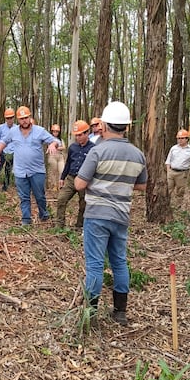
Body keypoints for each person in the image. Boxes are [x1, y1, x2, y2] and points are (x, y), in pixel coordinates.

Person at [74, 102, 147, 326]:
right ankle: (120, 312)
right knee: (119, 262)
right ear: (126, 127)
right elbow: (142, 186)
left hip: (96, 215)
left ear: (104, 125)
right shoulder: (137, 155)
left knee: (95, 264)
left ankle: (91, 313)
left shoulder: (98, 151)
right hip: (121, 215)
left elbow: (79, 184)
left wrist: (101, 183)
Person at [0, 106, 60, 225]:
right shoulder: (13, 132)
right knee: (24, 197)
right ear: (18, 120)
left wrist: (52, 144)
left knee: (39, 195)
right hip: (20, 171)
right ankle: (26, 219)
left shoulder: (39, 130)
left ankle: (43, 214)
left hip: (37, 170)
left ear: (30, 117)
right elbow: (4, 141)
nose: (24, 120)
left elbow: (55, 141)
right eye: (21, 118)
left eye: (26, 117)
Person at [55, 120, 93, 229]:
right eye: (76, 135)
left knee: (84, 204)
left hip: (85, 180)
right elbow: (68, 164)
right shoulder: (73, 147)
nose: (78, 138)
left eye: (80, 135)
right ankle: (59, 225)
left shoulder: (93, 148)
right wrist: (62, 178)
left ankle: (80, 225)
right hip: (71, 178)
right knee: (61, 198)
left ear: (87, 133)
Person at [165, 129, 190, 209]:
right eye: (178, 138)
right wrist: (168, 171)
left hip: (182, 173)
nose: (180, 140)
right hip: (171, 171)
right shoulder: (173, 148)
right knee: (168, 189)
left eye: (182, 138)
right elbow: (168, 160)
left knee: (180, 191)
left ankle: (177, 207)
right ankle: (166, 205)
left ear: (187, 139)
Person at [46, 124, 66, 190]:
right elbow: (49, 147)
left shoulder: (61, 140)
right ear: (52, 132)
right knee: (53, 171)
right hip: (52, 156)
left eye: (57, 132)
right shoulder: (49, 139)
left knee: (61, 170)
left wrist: (57, 147)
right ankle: (54, 185)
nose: (55, 133)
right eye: (54, 131)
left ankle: (60, 184)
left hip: (60, 156)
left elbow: (64, 147)